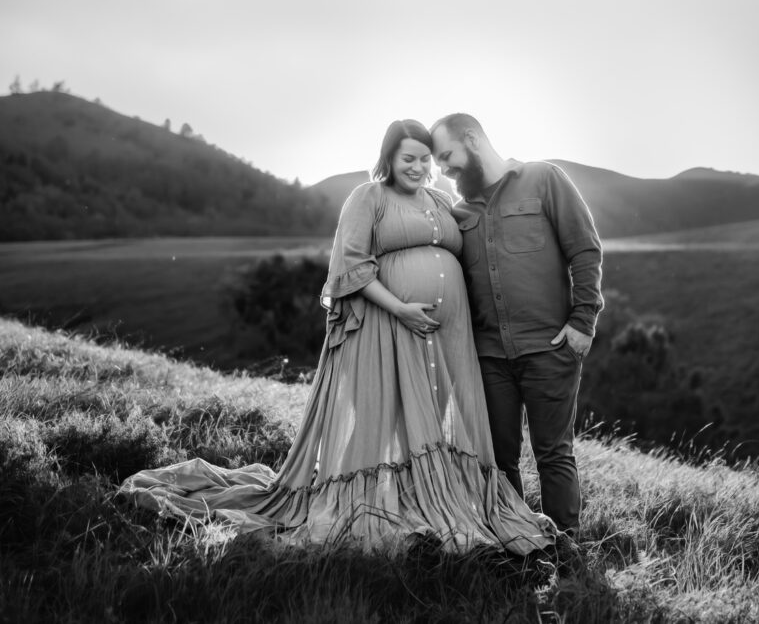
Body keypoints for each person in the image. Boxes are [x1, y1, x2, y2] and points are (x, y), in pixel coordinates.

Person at [119, 119, 556, 554]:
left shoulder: (442, 201)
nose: (419, 167)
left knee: (433, 423)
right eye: (409, 158)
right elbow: (350, 264)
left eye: (426, 159)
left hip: (447, 337)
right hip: (390, 326)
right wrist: (400, 307)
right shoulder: (369, 197)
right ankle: (379, 503)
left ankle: (432, 494)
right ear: (389, 158)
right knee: (384, 416)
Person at [430, 113, 603, 535]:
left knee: (554, 454)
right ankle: (517, 543)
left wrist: (583, 322)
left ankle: (566, 550)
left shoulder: (545, 179)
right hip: (488, 358)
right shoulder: (458, 212)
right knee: (499, 459)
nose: (443, 169)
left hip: (550, 348)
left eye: (447, 156)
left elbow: (585, 249)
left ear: (472, 139)